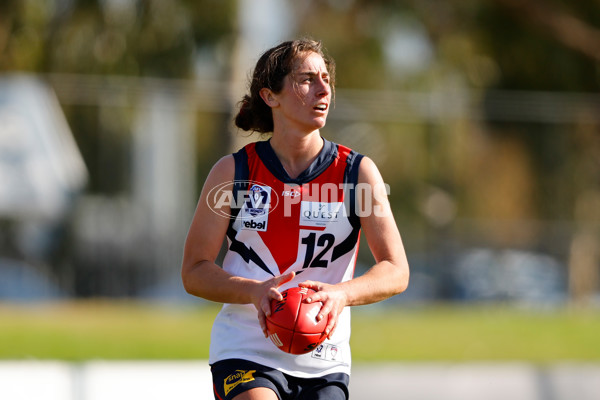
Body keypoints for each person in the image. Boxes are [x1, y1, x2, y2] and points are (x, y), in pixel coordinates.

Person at [181, 38, 409, 400]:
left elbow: (396, 269)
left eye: (326, 79)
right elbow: (194, 271)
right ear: (271, 96)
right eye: (306, 80)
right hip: (245, 351)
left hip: (324, 360)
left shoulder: (358, 173)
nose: (323, 89)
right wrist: (253, 291)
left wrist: (341, 295)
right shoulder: (233, 172)